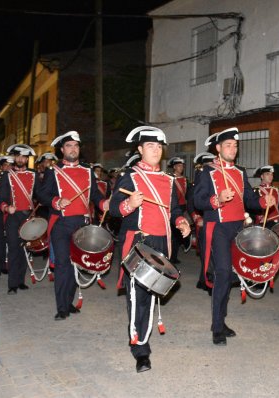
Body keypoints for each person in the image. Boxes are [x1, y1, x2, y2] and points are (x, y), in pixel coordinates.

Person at [109, 126, 190, 372]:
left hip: (162, 243)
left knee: (153, 294)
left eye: (158, 146)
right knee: (138, 297)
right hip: (139, 243)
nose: (155, 150)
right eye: (150, 146)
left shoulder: (169, 180)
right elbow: (113, 209)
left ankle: (142, 336)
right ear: (141, 149)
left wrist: (181, 221)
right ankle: (140, 348)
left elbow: (174, 211)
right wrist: (128, 204)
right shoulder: (129, 176)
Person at [194, 127, 275, 346]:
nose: (233, 149)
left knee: (231, 275)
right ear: (218, 148)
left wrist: (261, 203)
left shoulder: (240, 171)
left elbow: (248, 198)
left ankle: (221, 320)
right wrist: (217, 199)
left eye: (235, 145)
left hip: (237, 228)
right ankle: (217, 326)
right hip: (218, 228)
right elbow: (198, 200)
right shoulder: (206, 171)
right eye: (228, 145)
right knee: (221, 272)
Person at [37, 131, 108, 320]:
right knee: (62, 264)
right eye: (69, 146)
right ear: (62, 150)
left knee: (75, 263)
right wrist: (56, 202)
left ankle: (68, 301)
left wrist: (103, 204)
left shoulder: (87, 170)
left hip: (82, 224)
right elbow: (41, 194)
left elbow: (95, 195)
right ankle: (61, 307)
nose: (73, 149)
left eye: (76, 146)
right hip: (61, 223)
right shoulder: (54, 171)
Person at [0, 144, 37, 294]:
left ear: (27, 159)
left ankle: (21, 281)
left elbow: (40, 194)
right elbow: (1, 197)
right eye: (18, 156)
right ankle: (12, 284)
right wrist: (7, 207)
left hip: (28, 216)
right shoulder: (7, 175)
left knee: (24, 249)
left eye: (24, 157)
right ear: (14, 157)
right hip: (13, 217)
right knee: (14, 249)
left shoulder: (33, 175)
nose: (20, 159)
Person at [190, 151, 216, 292]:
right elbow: (191, 203)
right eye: (207, 164)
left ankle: (203, 279)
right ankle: (208, 280)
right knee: (207, 252)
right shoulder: (200, 180)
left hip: (214, 220)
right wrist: (196, 217)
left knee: (212, 253)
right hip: (203, 221)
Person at [167, 156, 189, 264]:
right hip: (173, 208)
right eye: (179, 166)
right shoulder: (170, 178)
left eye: (182, 166)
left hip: (182, 208)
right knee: (172, 235)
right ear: (174, 167)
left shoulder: (185, 180)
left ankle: (174, 256)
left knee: (178, 234)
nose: (181, 168)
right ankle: (170, 257)